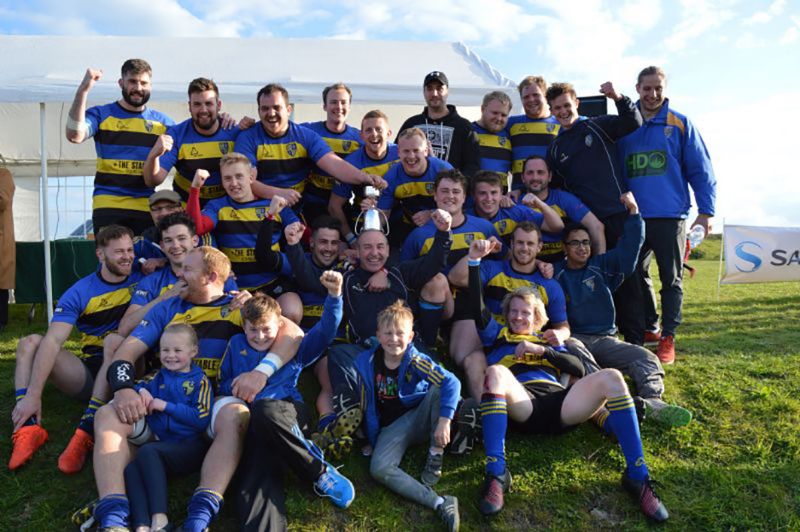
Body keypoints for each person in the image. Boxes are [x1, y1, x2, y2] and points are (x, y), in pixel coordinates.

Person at [94, 247, 303, 532]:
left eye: (186, 269)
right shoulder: (169, 307)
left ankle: (199, 518)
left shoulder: (238, 306)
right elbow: (125, 353)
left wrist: (260, 372)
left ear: (211, 277)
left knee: (236, 414)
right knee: (107, 415)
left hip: (211, 405)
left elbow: (293, 333)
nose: (177, 274)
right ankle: (113, 518)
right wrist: (123, 389)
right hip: (160, 400)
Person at [468, 262, 669, 522]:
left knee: (612, 377)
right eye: (513, 312)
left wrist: (542, 350)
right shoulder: (497, 334)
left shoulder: (547, 341)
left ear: (537, 318)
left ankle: (637, 476)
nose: (518, 317)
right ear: (506, 315)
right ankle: (497, 474)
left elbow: (578, 368)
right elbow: (476, 304)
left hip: (562, 405)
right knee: (495, 372)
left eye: (525, 312)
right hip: (524, 404)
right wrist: (474, 264)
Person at [228, 273, 356, 530]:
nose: (260, 336)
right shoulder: (235, 345)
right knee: (251, 484)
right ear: (244, 327)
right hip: (254, 424)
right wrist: (233, 387)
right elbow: (224, 381)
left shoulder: (293, 346)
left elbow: (326, 331)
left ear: (279, 326)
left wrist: (334, 297)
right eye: (253, 329)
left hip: (288, 412)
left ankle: (319, 472)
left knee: (265, 410)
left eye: (267, 329)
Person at [9, 225, 142, 471]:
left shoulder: (144, 276)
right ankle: (28, 424)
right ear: (100, 255)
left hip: (131, 365)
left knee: (116, 343)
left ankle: (85, 431)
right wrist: (33, 394)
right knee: (30, 343)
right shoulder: (80, 292)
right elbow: (53, 340)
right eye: (118, 252)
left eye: (130, 250)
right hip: (92, 370)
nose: (127, 257)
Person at [554, 192, 692, 428]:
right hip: (574, 339)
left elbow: (630, 248)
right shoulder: (554, 274)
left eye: (586, 242)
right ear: (564, 247)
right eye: (575, 243)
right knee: (574, 349)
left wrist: (634, 214)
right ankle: (611, 402)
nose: (582, 247)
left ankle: (652, 402)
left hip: (605, 339)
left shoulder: (603, 267)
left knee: (645, 357)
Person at [617, 66, 717, 364]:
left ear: (664, 88)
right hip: (633, 216)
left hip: (671, 216)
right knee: (634, 276)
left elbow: (701, 170)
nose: (652, 94)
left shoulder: (680, 124)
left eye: (658, 88)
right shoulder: (625, 125)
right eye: (647, 88)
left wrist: (707, 211)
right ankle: (642, 332)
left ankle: (668, 337)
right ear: (637, 88)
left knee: (671, 279)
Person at [545, 81, 644, 344]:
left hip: (617, 215)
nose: (563, 111)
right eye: (557, 108)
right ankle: (600, 338)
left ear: (576, 103)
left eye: (567, 105)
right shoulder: (555, 148)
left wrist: (618, 97)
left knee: (628, 279)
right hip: (588, 226)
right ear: (551, 111)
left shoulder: (597, 125)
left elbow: (633, 122)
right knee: (595, 283)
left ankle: (634, 341)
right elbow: (556, 187)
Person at [91, 323, 212, 532]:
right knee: (131, 468)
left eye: (177, 350)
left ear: (193, 351)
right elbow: (139, 385)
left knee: (147, 451)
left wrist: (164, 405)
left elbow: (200, 417)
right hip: (162, 445)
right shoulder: (159, 376)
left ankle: (160, 520)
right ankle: (141, 525)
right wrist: (142, 393)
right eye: (165, 350)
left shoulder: (200, 381)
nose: (170, 356)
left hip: (189, 447)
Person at [355, 300, 462, 531]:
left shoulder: (415, 360)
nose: (394, 339)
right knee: (379, 468)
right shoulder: (365, 362)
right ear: (378, 336)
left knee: (437, 388)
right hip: (392, 427)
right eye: (388, 333)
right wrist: (368, 439)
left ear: (411, 337)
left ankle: (435, 452)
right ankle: (439, 502)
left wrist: (444, 422)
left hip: (421, 415)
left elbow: (451, 382)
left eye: (400, 333)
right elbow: (365, 402)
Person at [448, 223, 570, 400]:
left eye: (530, 244)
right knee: (468, 360)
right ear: (511, 244)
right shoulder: (493, 268)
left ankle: (564, 398)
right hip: (493, 336)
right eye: (520, 243)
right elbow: (455, 278)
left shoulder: (550, 285)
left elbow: (563, 326)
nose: (524, 248)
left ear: (539, 247)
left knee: (573, 349)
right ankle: (485, 411)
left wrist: (560, 334)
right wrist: (474, 256)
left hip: (529, 341)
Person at [233, 83, 384, 214]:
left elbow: (334, 164)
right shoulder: (247, 137)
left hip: (297, 209)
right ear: (258, 111)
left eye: (276, 107)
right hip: (258, 209)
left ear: (289, 110)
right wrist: (277, 193)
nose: (271, 113)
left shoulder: (305, 136)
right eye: (265, 108)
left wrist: (365, 178)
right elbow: (244, 180)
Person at [188, 152, 302, 322]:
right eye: (227, 178)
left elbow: (301, 230)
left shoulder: (274, 203)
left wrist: (294, 229)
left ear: (251, 176)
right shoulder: (218, 206)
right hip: (237, 287)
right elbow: (197, 227)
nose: (233, 183)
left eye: (239, 176)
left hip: (273, 282)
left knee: (292, 311)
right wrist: (195, 188)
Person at [65, 59, 175, 235]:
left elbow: (191, 135)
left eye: (144, 83)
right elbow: (74, 135)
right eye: (132, 81)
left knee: (144, 261)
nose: (138, 88)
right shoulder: (102, 114)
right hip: (108, 205)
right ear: (121, 83)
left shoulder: (163, 123)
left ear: (151, 86)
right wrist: (83, 90)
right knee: (112, 261)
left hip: (145, 208)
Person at [143, 77, 252, 207]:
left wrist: (251, 123)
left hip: (224, 209)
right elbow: (153, 180)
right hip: (186, 207)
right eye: (197, 104)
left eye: (209, 103)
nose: (203, 110)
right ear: (189, 106)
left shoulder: (233, 131)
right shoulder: (177, 134)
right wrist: (153, 155)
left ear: (219, 105)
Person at [329, 110, 399, 244]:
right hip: (363, 222)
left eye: (379, 129)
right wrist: (351, 240)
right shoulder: (351, 163)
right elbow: (334, 206)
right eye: (368, 130)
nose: (374, 134)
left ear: (389, 133)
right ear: (361, 135)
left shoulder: (402, 154)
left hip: (396, 220)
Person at [520, 156, 605, 262]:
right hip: (528, 265)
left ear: (550, 176)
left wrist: (599, 266)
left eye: (540, 172)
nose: (535, 177)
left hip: (563, 265)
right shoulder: (513, 203)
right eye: (530, 173)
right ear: (523, 177)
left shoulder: (564, 199)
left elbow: (596, 227)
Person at [396, 71, 480, 178]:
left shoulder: (464, 127)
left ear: (447, 91)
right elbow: (396, 157)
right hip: (412, 191)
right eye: (430, 88)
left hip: (449, 193)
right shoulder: (412, 124)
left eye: (439, 88)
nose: (434, 93)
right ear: (424, 92)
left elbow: (472, 166)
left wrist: (457, 186)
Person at [378, 127, 453, 244]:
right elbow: (382, 215)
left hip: (443, 225)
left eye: (416, 150)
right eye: (406, 151)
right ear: (398, 152)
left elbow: (457, 206)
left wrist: (432, 214)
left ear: (426, 151)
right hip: (407, 226)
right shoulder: (390, 177)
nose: (411, 156)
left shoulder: (443, 170)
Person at [302, 83, 362, 223]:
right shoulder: (308, 131)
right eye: (334, 102)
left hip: (342, 205)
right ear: (324, 106)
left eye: (343, 102)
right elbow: (281, 127)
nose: (339, 107)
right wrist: (241, 127)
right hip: (311, 204)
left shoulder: (359, 138)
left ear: (349, 106)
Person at [467, 170, 563, 244]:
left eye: (494, 193)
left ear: (501, 194)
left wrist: (540, 204)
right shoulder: (465, 218)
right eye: (482, 193)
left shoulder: (514, 212)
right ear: (473, 195)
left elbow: (557, 226)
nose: (489, 198)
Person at [505, 76, 560, 191]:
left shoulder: (560, 123)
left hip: (553, 195)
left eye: (536, 95)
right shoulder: (510, 124)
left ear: (546, 97)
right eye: (526, 97)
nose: (531, 99)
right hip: (519, 196)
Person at [471, 91, 513, 184]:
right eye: (494, 113)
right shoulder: (468, 131)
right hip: (472, 197)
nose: (499, 118)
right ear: (482, 109)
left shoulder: (510, 136)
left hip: (501, 197)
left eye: (503, 115)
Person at [0, 166, 14, 332]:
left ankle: (1, 321)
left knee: (1, 283)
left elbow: (3, 200)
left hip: (2, 236)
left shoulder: (4, 174)